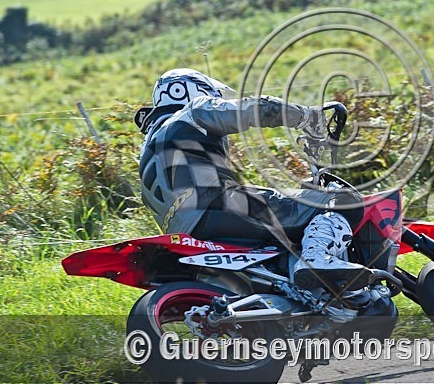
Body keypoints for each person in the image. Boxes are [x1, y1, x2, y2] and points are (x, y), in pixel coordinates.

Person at [134, 68, 370, 293]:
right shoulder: (192, 113)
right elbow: (254, 109)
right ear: (190, 90)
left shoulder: (147, 150)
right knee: (340, 200)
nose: (216, 98)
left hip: (185, 229)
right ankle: (316, 259)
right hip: (220, 205)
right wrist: (307, 116)